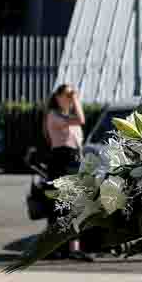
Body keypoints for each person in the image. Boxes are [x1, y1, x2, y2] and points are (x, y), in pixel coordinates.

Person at [45, 84, 87, 258]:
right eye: (66, 95)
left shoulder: (68, 117)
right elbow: (81, 119)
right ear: (57, 97)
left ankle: (73, 249)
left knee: (74, 206)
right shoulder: (53, 116)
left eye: (71, 95)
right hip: (60, 159)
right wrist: (76, 99)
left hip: (74, 160)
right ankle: (55, 247)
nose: (69, 98)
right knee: (59, 205)